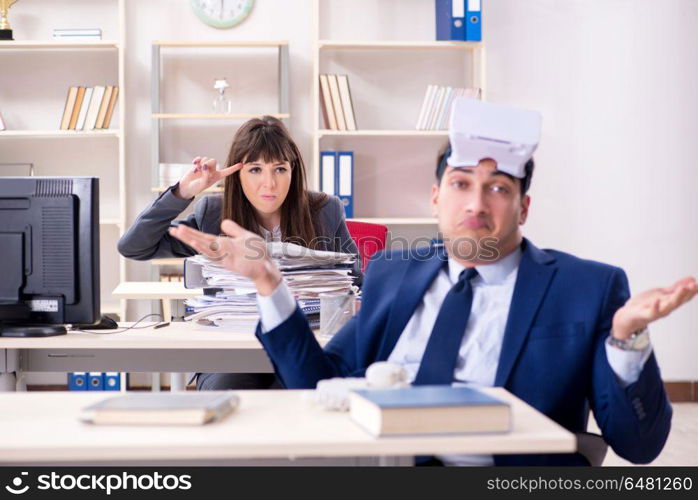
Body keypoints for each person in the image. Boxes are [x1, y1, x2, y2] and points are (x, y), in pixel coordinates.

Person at [168, 104, 696, 466]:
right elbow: (316, 383)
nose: (476, 203)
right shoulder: (394, 277)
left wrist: (627, 343)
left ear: (524, 207)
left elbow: (640, 446)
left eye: (498, 188)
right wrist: (268, 285)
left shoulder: (588, 289)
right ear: (435, 199)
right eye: (461, 184)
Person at [118, 115, 361, 390]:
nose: (269, 183)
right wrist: (183, 192)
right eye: (255, 169)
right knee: (227, 393)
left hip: (301, 343)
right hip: (231, 350)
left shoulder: (324, 211)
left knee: (303, 394)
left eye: (279, 169)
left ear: (293, 171)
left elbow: (356, 284)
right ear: (238, 173)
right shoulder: (213, 214)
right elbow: (134, 247)